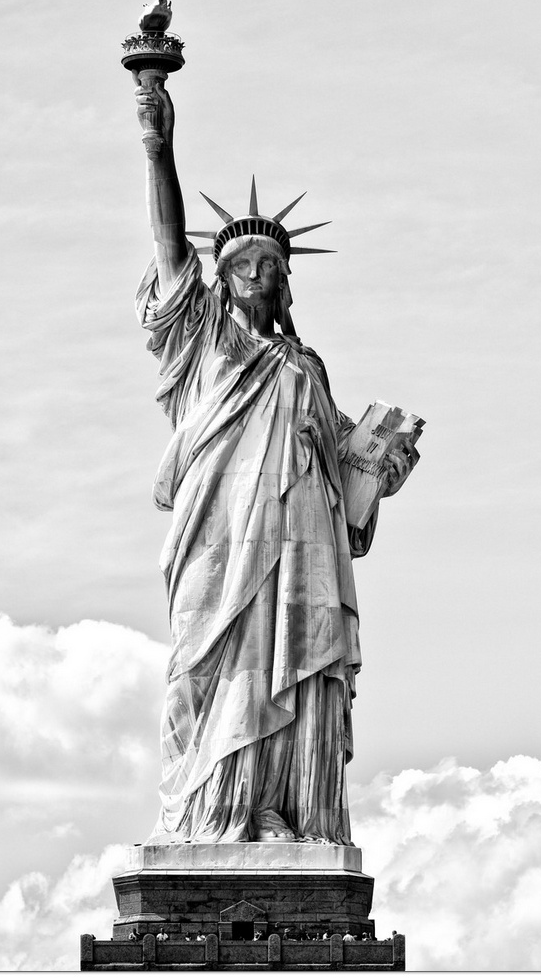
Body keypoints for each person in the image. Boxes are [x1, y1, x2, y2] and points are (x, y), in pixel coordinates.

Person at [133, 77, 418, 845]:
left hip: (303, 547)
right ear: (220, 281)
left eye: (271, 263)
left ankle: (281, 807)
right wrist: (159, 146)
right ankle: (216, 809)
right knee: (216, 669)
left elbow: (343, 482)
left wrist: (379, 473)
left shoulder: (307, 369)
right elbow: (170, 250)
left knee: (291, 665)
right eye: (243, 263)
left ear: (286, 282)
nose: (259, 273)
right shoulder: (206, 344)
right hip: (223, 540)